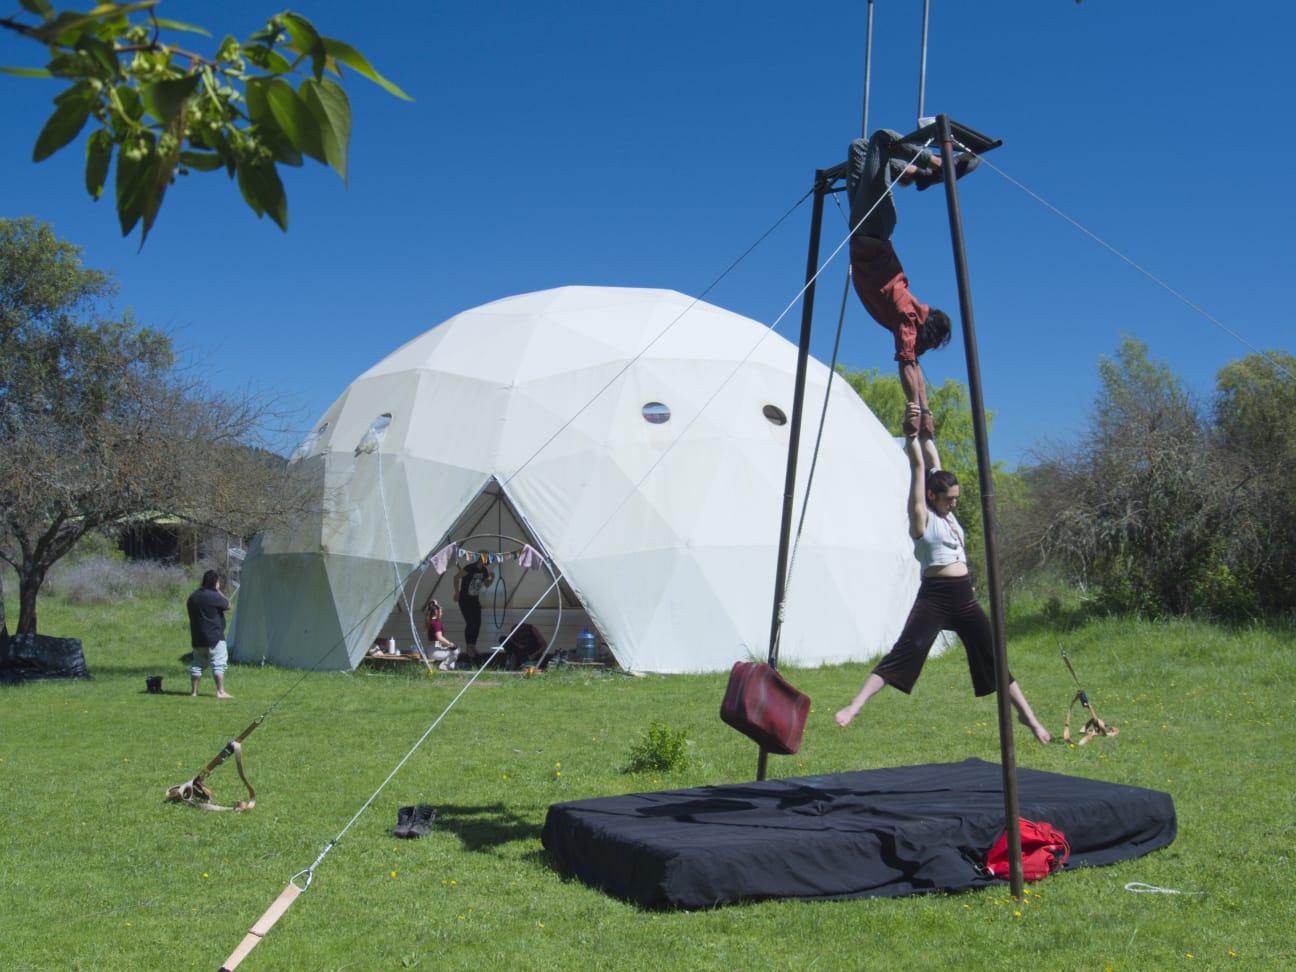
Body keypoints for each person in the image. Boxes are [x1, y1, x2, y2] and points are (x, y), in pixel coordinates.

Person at [835, 404, 1050, 744]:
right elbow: (919, 467)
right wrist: (911, 437)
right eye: (949, 499)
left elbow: (933, 459)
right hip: (934, 598)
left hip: (964, 596)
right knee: (906, 651)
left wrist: (926, 429)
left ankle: (1028, 716)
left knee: (993, 656)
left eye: (956, 498)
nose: (954, 504)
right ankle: (855, 705)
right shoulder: (922, 518)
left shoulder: (948, 514)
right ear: (932, 496)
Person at [846, 128, 979, 464]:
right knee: (874, 144)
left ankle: (924, 170)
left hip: (867, 228)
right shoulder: (906, 314)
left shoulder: (907, 316)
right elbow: (912, 364)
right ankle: (929, 170)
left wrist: (918, 411)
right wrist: (922, 408)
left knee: (867, 145)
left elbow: (910, 362)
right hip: (872, 227)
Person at [186, 569, 233, 698]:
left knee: (197, 664)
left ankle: (194, 692)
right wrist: (218, 590)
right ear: (215, 582)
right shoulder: (214, 596)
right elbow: (228, 605)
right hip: (215, 637)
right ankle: (220, 691)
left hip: (197, 638)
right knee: (219, 663)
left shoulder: (193, 597)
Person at [453, 560, 494, 666]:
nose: (487, 561)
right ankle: (469, 647)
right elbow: (456, 577)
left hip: (475, 600)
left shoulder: (484, 570)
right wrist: (457, 593)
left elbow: (486, 584)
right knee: (470, 622)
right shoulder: (469, 568)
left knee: (478, 623)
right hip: (464, 599)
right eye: (486, 559)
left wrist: (492, 578)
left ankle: (473, 645)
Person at [423, 598, 458, 670]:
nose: (442, 614)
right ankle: (443, 666)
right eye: (441, 612)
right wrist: (449, 643)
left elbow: (434, 608)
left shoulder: (430, 621)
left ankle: (447, 666)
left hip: (431, 649)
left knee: (451, 652)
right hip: (434, 651)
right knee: (455, 651)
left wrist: (436, 604)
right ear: (437, 612)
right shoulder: (436, 623)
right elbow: (439, 637)